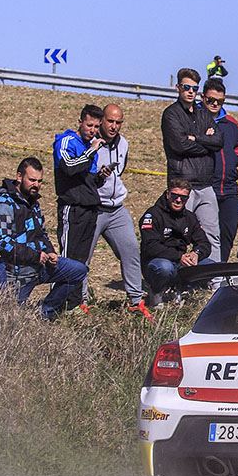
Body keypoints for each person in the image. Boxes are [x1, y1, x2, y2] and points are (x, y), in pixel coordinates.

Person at [0, 158, 88, 320]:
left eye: (40, 181)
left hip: (38, 267)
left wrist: (50, 252)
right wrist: (35, 256)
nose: (36, 185)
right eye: (32, 180)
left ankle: (45, 314)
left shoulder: (33, 202)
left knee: (77, 271)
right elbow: (2, 242)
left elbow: (41, 234)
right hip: (15, 273)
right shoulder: (2, 204)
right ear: (19, 177)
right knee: (10, 319)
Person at [85, 103, 151, 320]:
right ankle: (80, 301)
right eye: (110, 121)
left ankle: (135, 301)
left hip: (116, 208)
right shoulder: (90, 143)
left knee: (131, 248)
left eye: (118, 122)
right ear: (102, 120)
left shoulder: (123, 143)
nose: (114, 126)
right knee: (83, 256)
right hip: (93, 208)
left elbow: (120, 171)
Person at [161, 68, 223, 263]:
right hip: (182, 183)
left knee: (212, 234)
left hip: (205, 184)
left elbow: (219, 141)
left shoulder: (203, 113)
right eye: (186, 87)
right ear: (178, 87)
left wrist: (195, 138)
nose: (190, 92)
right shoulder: (171, 114)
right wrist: (206, 143)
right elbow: (179, 145)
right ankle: (175, 280)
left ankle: (214, 281)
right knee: (176, 235)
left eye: (194, 89)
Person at [52, 104, 105, 313]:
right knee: (68, 257)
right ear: (80, 122)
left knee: (82, 260)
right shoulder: (67, 142)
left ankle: (75, 304)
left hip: (90, 209)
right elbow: (69, 167)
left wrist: (101, 176)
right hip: (71, 208)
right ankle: (57, 304)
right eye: (89, 125)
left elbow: (87, 181)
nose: (92, 130)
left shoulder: (90, 147)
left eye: (96, 127)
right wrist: (91, 151)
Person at [139, 178, 213, 306]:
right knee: (165, 268)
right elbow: (151, 246)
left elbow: (204, 243)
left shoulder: (190, 217)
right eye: (175, 196)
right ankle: (157, 291)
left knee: (210, 266)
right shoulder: (153, 214)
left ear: (188, 199)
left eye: (183, 198)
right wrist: (179, 257)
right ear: (168, 194)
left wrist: (196, 254)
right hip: (158, 261)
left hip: (181, 263)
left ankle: (182, 289)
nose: (178, 200)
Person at [201, 80, 238, 263]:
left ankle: (219, 270)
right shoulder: (196, 119)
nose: (214, 104)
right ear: (203, 97)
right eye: (211, 99)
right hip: (206, 187)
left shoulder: (230, 123)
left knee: (227, 233)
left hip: (228, 188)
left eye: (219, 101)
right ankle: (202, 271)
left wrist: (235, 159)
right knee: (206, 235)